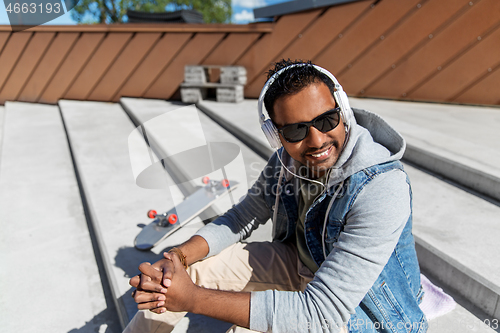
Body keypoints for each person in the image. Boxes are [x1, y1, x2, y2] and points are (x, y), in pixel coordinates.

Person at [125, 59, 427, 333]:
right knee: (180, 274)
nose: (317, 140)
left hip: (363, 311)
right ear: (276, 135)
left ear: (343, 111)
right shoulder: (285, 163)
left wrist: (192, 299)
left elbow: (322, 314)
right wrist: (177, 256)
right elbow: (242, 216)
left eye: (326, 120)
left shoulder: (382, 186)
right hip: (303, 266)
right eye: (296, 131)